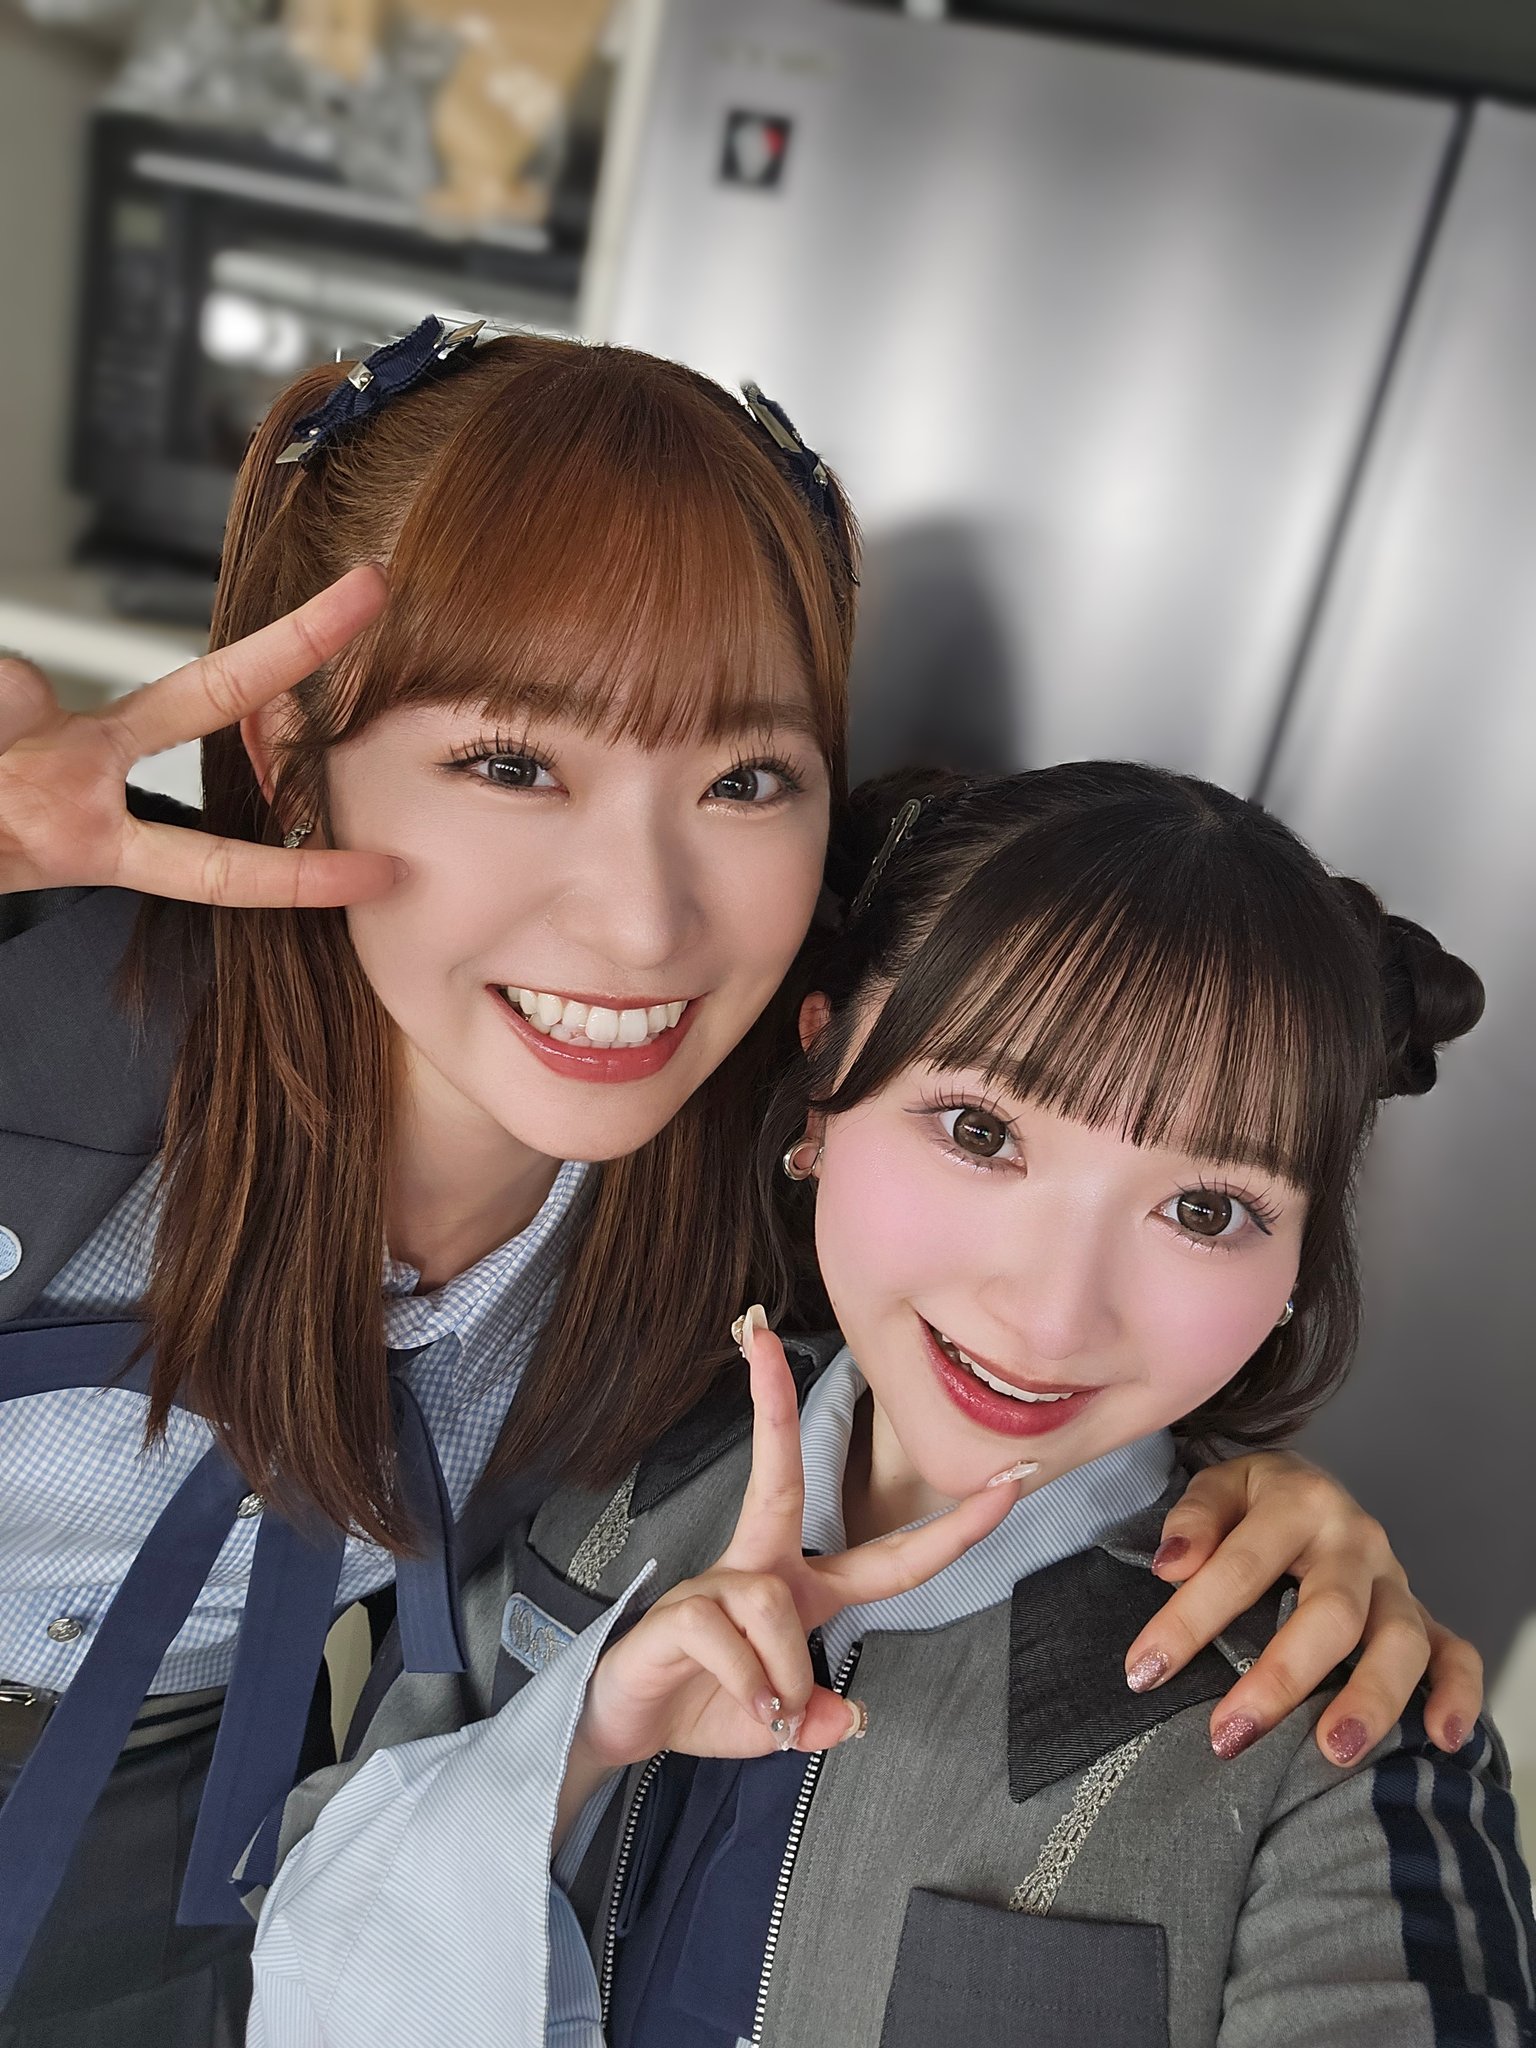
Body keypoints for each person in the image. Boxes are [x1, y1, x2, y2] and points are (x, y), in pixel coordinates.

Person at [0, 327, 1482, 2046]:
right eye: (512, 763)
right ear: (288, 748)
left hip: (177, 1857)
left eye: (743, 779)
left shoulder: (727, 1195)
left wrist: (1268, 1495)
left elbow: (1062, 1210)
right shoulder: (46, 1035)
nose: (643, 921)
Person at [248, 762, 1532, 2048]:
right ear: (822, 1087)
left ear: (1298, 1263)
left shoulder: (1342, 1730)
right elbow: (305, 1933)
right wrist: (572, 1740)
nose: (1051, 1313)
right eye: (979, 1130)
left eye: (1205, 1209)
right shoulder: (601, 1445)